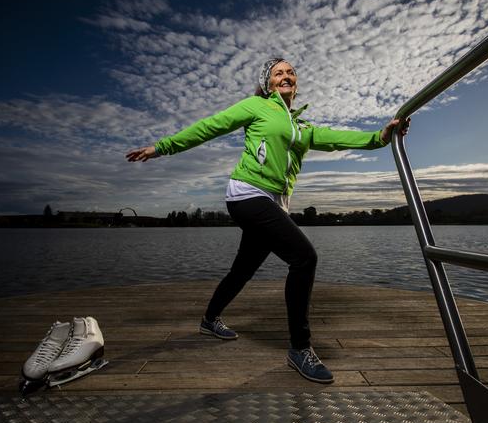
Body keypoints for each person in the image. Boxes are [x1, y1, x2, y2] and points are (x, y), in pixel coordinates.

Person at [126, 58, 409, 384]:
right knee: (304, 258)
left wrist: (381, 136)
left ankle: (209, 319)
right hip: (246, 193)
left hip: (275, 203)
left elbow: (338, 138)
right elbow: (210, 126)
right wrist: (160, 148)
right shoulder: (257, 106)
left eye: (290, 72)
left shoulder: (303, 128)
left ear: (296, 82)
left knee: (243, 269)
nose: (286, 76)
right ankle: (300, 349)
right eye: (279, 73)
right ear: (269, 83)